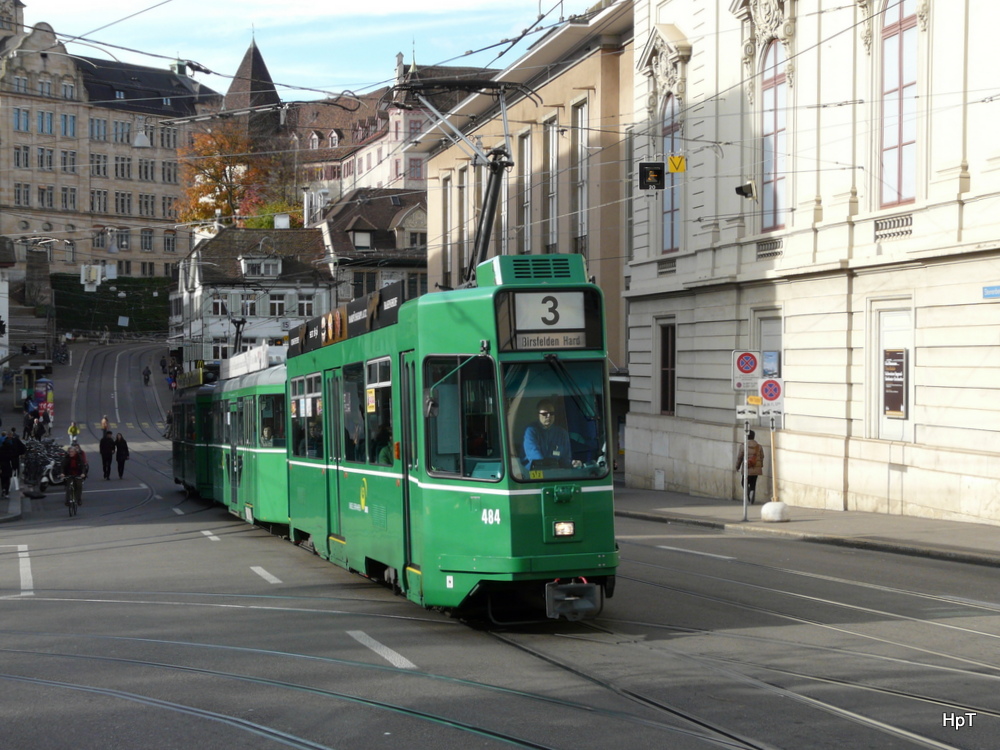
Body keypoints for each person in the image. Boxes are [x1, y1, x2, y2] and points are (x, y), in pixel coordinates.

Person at [522, 399, 581, 470]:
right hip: (533, 474)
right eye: (544, 414)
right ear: (537, 415)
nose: (549, 416)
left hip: (555, 475)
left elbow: (565, 460)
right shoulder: (530, 431)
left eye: (552, 413)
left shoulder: (562, 433)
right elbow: (535, 458)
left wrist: (573, 464)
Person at [735, 430, 765, 505]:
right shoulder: (759, 446)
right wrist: (760, 466)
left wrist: (737, 467)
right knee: (753, 483)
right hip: (756, 468)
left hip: (747, 468)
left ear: (747, 436)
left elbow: (740, 458)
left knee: (743, 483)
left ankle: (748, 492)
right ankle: (752, 494)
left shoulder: (743, 446)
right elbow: (762, 457)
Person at [0, 431, 15, 498]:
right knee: (8, 479)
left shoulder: (1, 449)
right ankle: (6, 492)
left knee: (2, 478)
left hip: (2, 466)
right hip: (8, 465)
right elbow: (12, 459)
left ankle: (3, 488)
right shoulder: (10, 450)